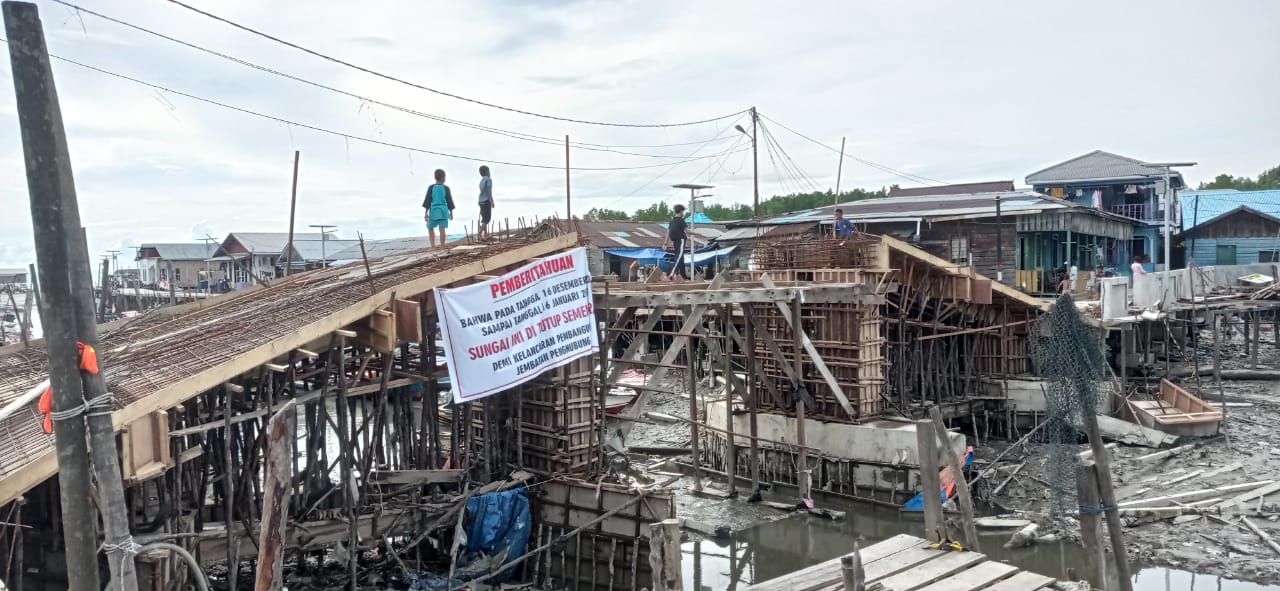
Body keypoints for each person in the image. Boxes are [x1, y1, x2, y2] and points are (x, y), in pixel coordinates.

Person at [423, 169, 455, 247]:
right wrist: (451, 213)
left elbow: (428, 200)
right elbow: (449, 201)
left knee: (430, 228)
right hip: (444, 211)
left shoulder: (431, 187)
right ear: (443, 178)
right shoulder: (446, 188)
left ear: (435, 177)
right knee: (442, 229)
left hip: (433, 211)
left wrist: (426, 213)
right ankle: (442, 246)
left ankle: (433, 246)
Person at [662, 204, 690, 281]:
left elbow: (668, 233)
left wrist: (665, 243)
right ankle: (671, 274)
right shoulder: (681, 221)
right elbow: (687, 231)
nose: (683, 214)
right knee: (678, 258)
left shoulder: (672, 221)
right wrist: (697, 233)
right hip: (681, 240)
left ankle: (683, 276)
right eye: (683, 212)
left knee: (681, 260)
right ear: (681, 211)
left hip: (675, 241)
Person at [477, 165, 494, 239]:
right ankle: (480, 233)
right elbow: (489, 191)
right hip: (486, 200)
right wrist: (492, 200)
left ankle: (486, 234)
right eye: (489, 171)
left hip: (480, 201)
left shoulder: (482, 180)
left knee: (484, 218)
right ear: (487, 172)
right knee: (487, 219)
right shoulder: (488, 179)